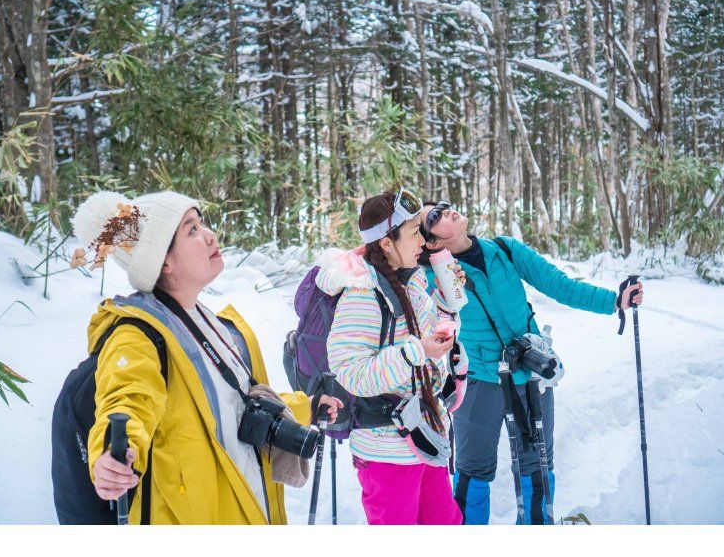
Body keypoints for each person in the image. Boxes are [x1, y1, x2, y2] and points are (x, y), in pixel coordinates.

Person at [70, 190, 341, 524]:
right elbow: (126, 401)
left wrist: (305, 407)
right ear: (162, 261)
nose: (210, 234)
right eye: (192, 229)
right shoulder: (136, 335)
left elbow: (236, 404)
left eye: (201, 223)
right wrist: (113, 456)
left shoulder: (210, 322)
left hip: (243, 503)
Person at [418, 201, 644, 525]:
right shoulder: (431, 280)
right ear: (432, 242)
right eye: (435, 216)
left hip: (531, 371)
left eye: (443, 206)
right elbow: (427, 320)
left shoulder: (504, 251)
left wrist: (615, 301)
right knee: (472, 470)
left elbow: (559, 285)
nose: (446, 209)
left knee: (536, 466)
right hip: (480, 381)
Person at [320, 188, 464, 525]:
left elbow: (429, 335)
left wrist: (447, 305)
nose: (421, 241)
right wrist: (417, 351)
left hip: (425, 436)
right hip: (385, 449)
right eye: (414, 233)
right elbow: (350, 372)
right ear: (387, 243)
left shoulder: (410, 281)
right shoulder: (361, 294)